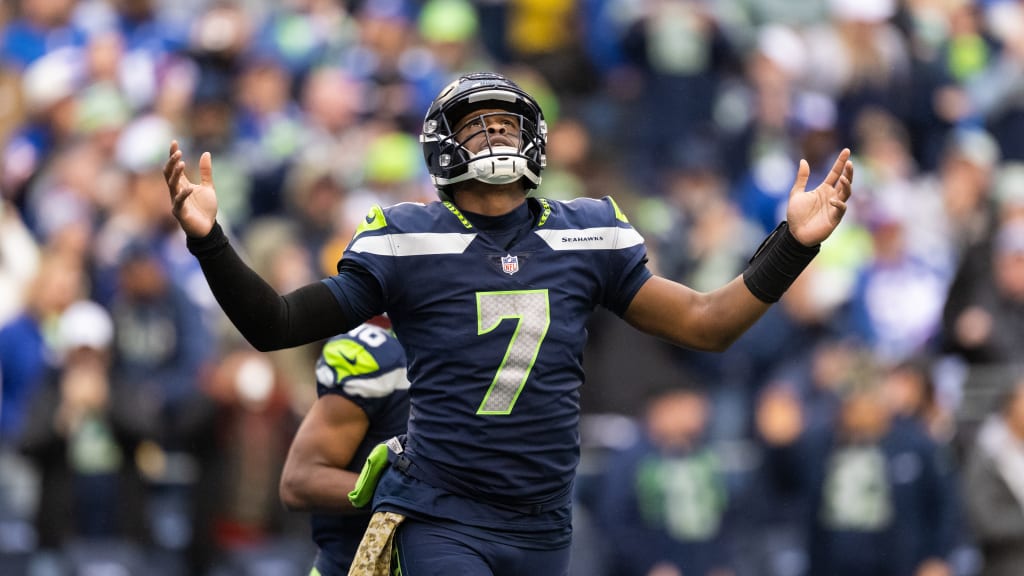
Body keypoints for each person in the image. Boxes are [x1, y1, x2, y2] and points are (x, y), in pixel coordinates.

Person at [164, 71, 853, 575]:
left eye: (507, 122)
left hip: (545, 522)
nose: (495, 131)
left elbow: (707, 323)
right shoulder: (407, 239)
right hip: (443, 513)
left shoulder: (588, 233)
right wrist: (209, 239)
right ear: (442, 146)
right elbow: (276, 322)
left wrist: (793, 245)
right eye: (477, 123)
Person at [279, 318, 410, 576]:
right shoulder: (383, 358)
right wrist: (406, 493)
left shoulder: (488, 360)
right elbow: (299, 482)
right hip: (352, 566)